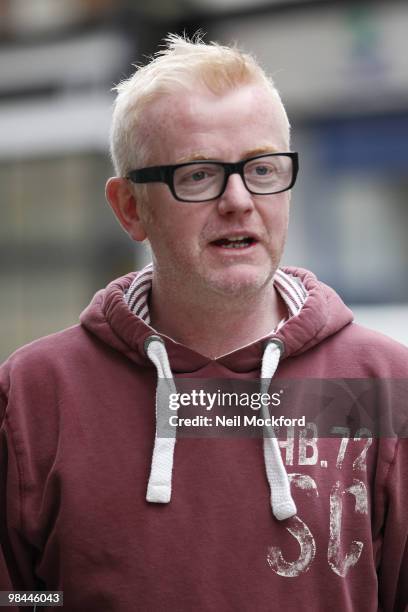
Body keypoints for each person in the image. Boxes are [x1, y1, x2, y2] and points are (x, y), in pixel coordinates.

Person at [0, 33, 407, 612]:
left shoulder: (382, 385)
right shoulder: (35, 394)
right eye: (197, 175)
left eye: (262, 169)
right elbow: (18, 596)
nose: (239, 199)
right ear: (130, 208)